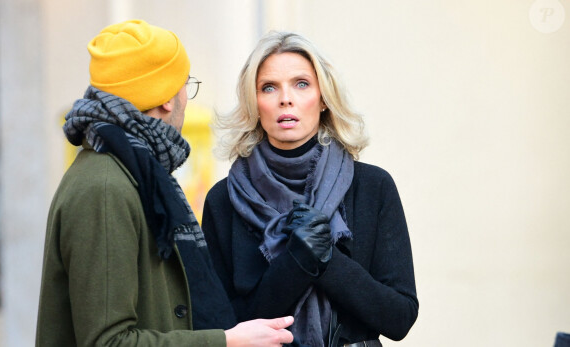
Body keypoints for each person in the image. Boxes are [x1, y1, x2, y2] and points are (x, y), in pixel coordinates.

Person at [36, 20, 294, 347]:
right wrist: (225, 341)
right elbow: (109, 342)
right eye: (185, 84)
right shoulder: (105, 189)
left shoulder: (132, 173)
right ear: (167, 98)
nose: (187, 97)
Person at [202, 31, 418, 347]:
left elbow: (399, 318)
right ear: (254, 103)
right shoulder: (224, 200)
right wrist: (297, 262)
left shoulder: (372, 186)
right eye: (268, 87)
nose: (284, 98)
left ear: (324, 100)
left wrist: (328, 258)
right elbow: (220, 325)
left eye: (301, 84)